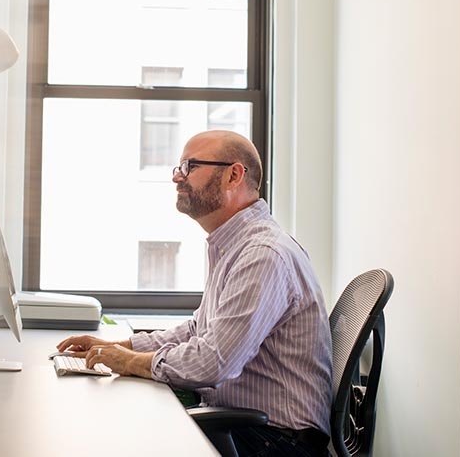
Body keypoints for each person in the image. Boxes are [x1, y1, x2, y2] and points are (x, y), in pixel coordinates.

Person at [56, 130, 332, 457]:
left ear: (233, 175)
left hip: (276, 442)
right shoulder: (233, 245)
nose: (177, 176)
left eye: (190, 166)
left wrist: (128, 361)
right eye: (179, 167)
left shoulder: (263, 255)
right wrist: (120, 346)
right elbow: (197, 331)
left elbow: (214, 362)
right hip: (249, 430)